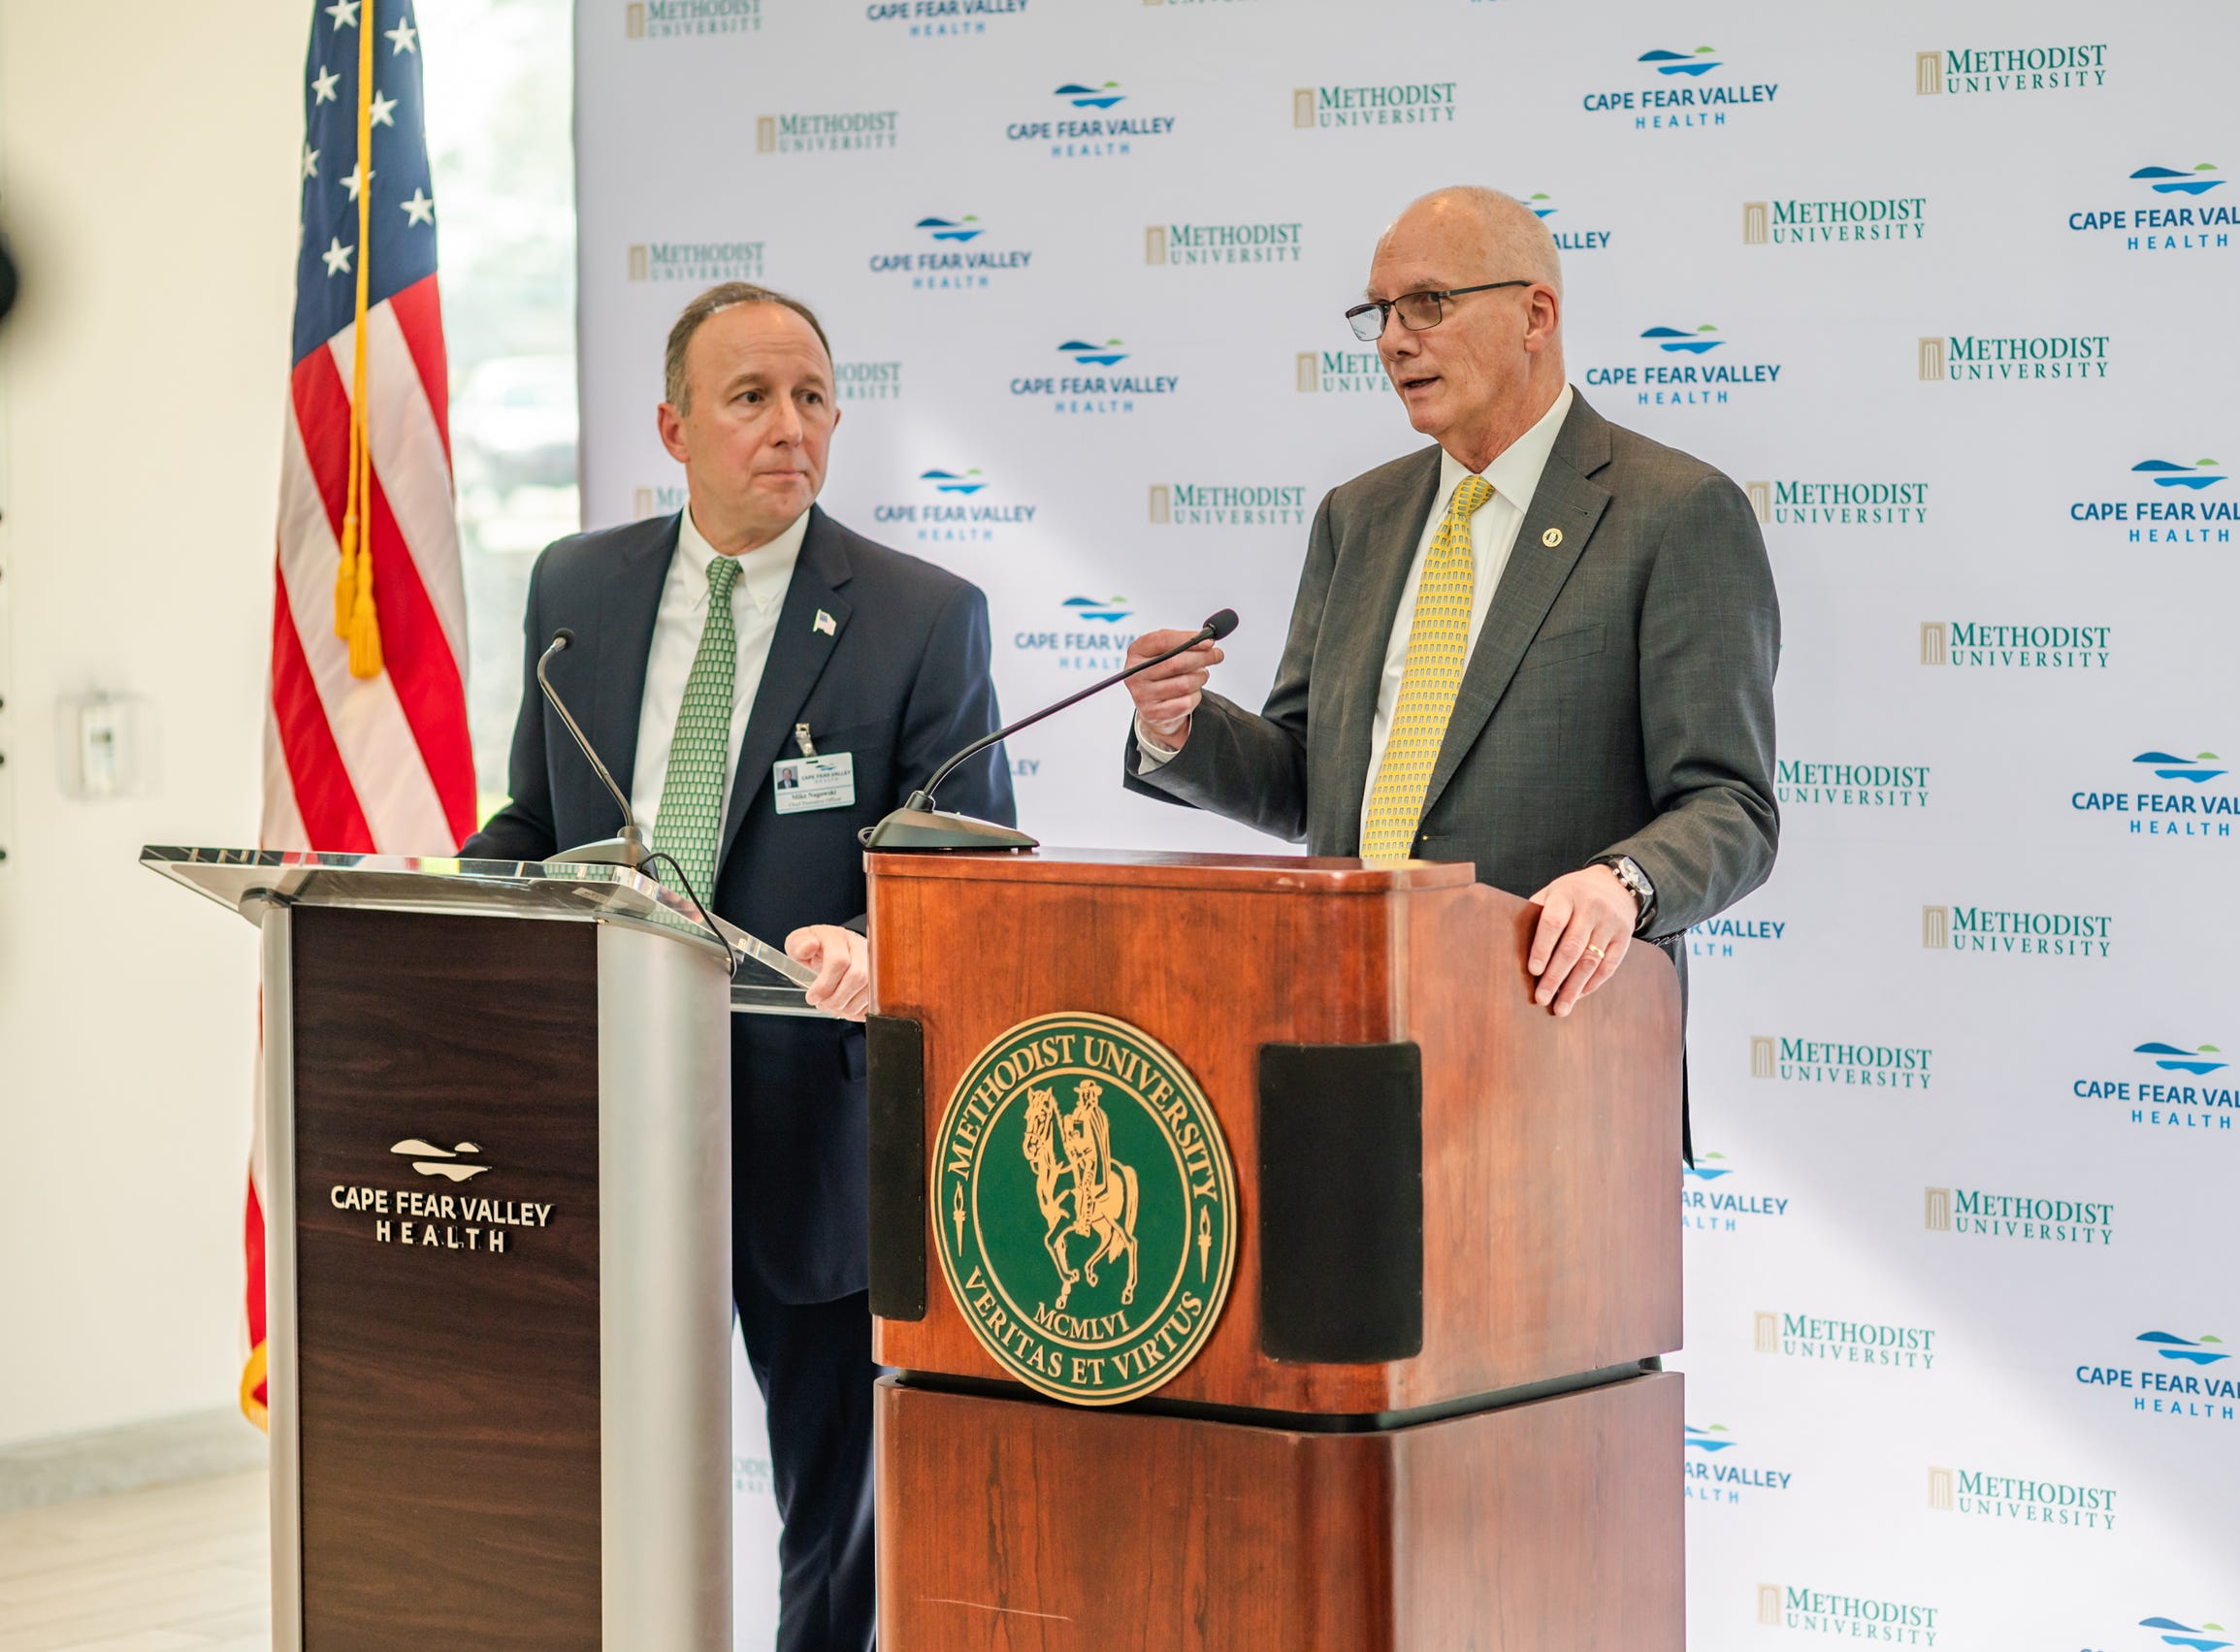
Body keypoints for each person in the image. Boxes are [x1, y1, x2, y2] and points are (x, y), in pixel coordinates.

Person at [465, 280, 1012, 1652]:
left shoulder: (919, 615)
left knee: (835, 1500)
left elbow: (974, 876)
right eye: (752, 398)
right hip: (602, 1105)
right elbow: (536, 819)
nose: (790, 428)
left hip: (807, 1113)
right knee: (589, 1461)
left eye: (813, 397)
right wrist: (457, 904)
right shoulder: (573, 586)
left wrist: (882, 946)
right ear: (672, 425)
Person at [1122, 186, 1777, 1118]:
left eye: (1427, 303)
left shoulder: (1672, 512)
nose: (1393, 338)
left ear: (1535, 315)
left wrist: (1623, 885)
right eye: (1379, 313)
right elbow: (1311, 779)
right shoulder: (1359, 516)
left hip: (1555, 1060)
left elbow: (1732, 805)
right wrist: (1177, 729)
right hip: (1342, 1039)